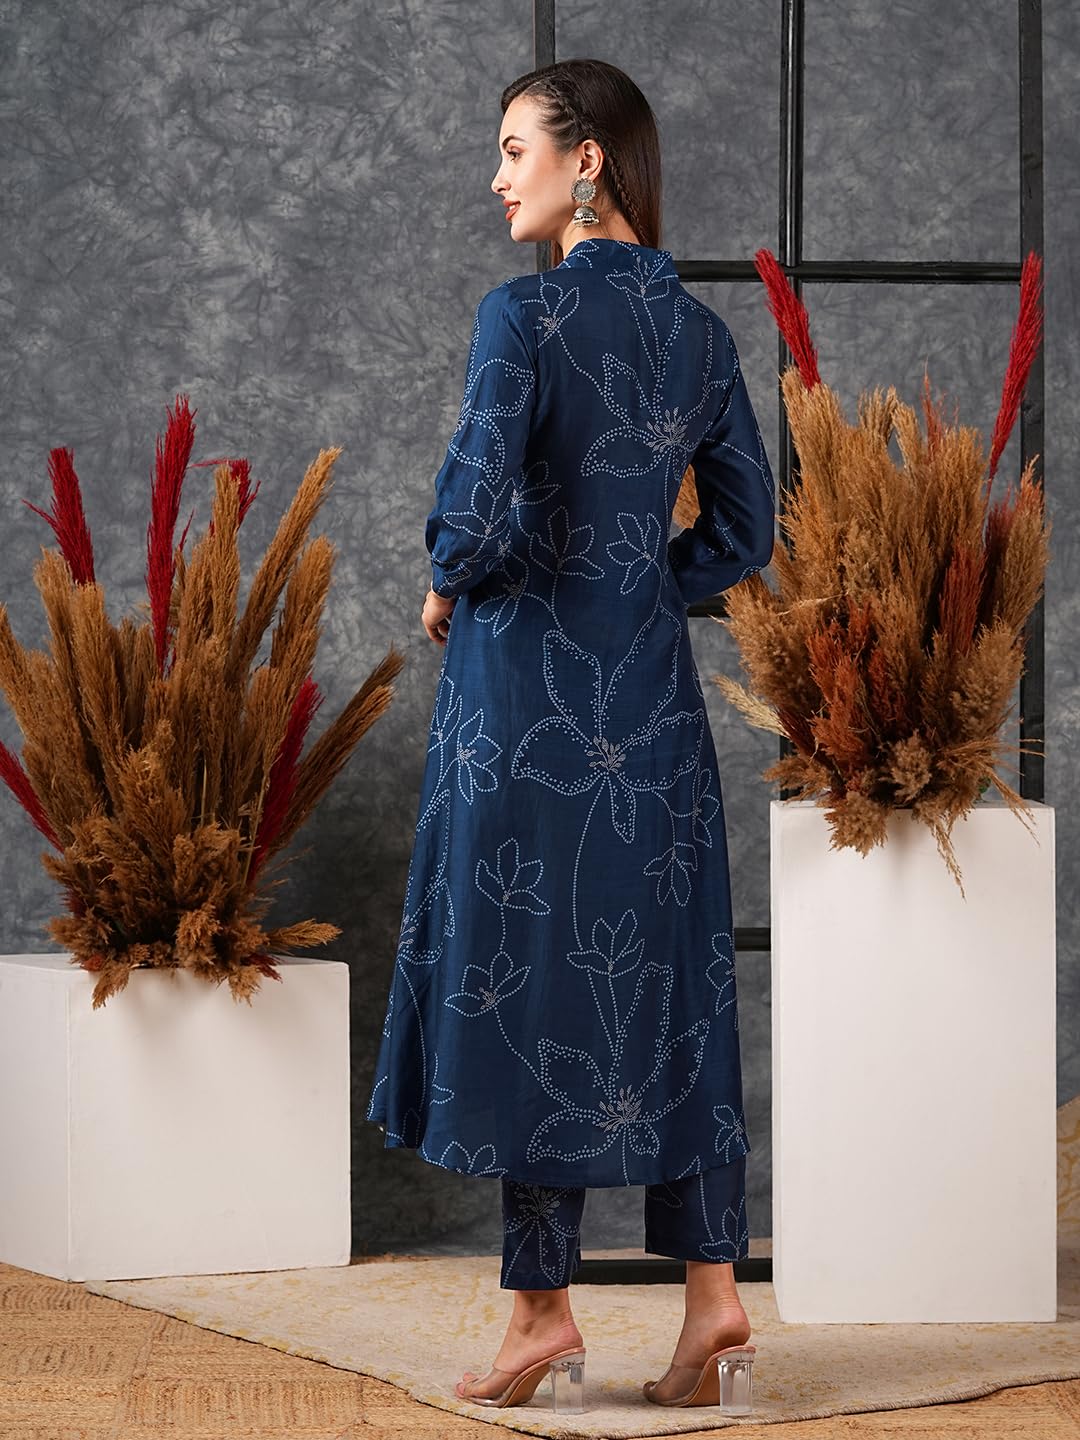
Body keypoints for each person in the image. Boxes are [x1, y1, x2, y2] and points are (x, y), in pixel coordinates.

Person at [365, 57, 776, 1411]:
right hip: (649, 706)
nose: (496, 177)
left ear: (586, 159)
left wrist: (446, 581)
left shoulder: (524, 315)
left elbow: (478, 517)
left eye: (512, 149)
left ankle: (542, 1311)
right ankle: (712, 1297)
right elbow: (747, 532)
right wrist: (642, 586)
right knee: (668, 983)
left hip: (525, 712)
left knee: (529, 981)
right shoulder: (704, 337)